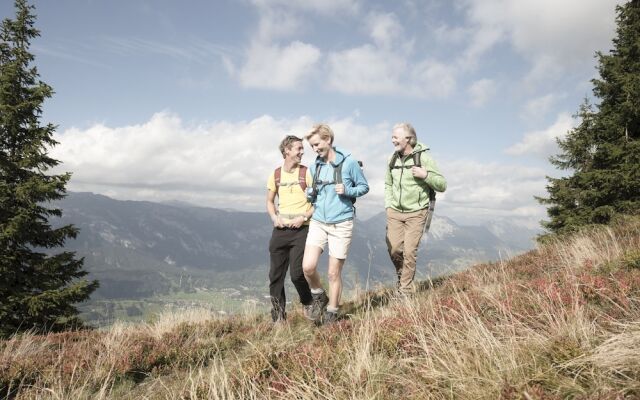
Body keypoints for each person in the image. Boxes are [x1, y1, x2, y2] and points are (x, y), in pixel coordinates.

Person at [302, 124, 369, 325]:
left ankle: (332, 311)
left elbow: (364, 187)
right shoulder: (315, 167)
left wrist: (348, 190)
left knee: (333, 272)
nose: (315, 149)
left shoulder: (349, 164)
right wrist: (310, 193)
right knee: (307, 267)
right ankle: (318, 294)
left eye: (317, 144)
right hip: (319, 221)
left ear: (328, 140)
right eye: (311, 146)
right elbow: (314, 194)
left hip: (342, 223)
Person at [385, 123, 446, 296]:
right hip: (394, 211)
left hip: (417, 212)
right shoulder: (392, 159)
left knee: (410, 251)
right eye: (392, 137)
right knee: (395, 249)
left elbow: (442, 184)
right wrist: (388, 205)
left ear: (408, 139)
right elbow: (388, 183)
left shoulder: (424, 158)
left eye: (396, 137)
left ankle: (405, 291)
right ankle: (402, 277)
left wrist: (425, 175)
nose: (392, 140)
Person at [266, 135, 315, 322]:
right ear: (287, 151)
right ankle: (278, 317)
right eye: (298, 149)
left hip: (302, 230)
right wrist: (274, 217)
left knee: (296, 273)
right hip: (280, 230)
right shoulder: (276, 174)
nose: (302, 152)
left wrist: (303, 217)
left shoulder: (307, 173)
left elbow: (317, 203)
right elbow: (270, 201)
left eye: (302, 149)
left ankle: (308, 301)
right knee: (275, 276)